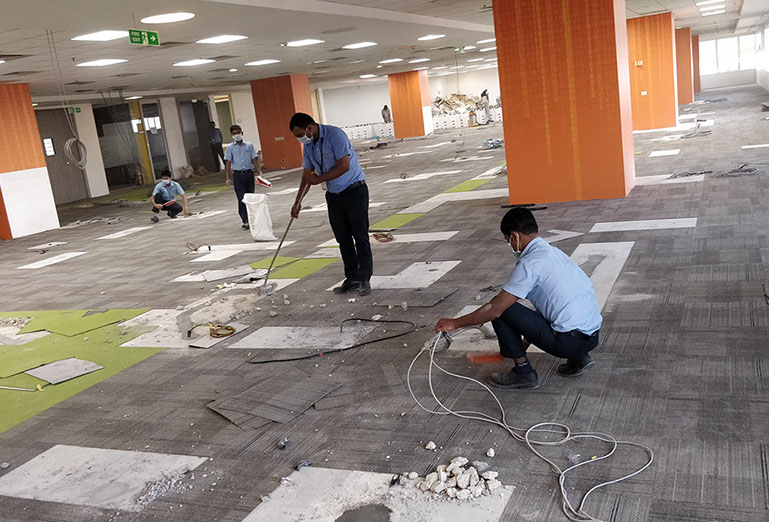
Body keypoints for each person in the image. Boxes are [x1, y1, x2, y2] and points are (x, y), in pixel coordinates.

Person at [434, 208, 602, 390]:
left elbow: (495, 309)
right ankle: (580, 359)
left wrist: (455, 323)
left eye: (508, 241)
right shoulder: (554, 253)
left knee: (503, 309)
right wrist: (526, 341)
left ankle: (523, 373)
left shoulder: (530, 263)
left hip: (568, 343)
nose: (511, 246)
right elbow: (550, 306)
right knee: (559, 308)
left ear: (515, 236)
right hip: (592, 337)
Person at [288, 112, 373, 296]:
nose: (299, 139)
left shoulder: (335, 135)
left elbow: (344, 165)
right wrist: (298, 202)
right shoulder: (309, 147)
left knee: (360, 236)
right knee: (343, 239)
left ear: (309, 128)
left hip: (354, 191)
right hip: (334, 196)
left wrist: (320, 179)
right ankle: (351, 277)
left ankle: (364, 278)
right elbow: (307, 175)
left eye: (300, 135)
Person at [224, 125, 270, 230]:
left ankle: (253, 218)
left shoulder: (249, 145)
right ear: (231, 135)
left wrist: (259, 171)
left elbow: (254, 159)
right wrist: (228, 177)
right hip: (238, 175)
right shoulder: (230, 148)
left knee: (250, 197)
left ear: (242, 132)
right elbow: (228, 162)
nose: (237, 135)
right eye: (234, 133)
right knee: (241, 198)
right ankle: (245, 220)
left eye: (238, 132)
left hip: (249, 174)